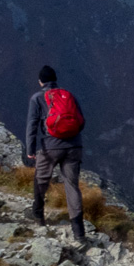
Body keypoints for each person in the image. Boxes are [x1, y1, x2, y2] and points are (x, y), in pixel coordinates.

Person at [25, 65, 87, 241]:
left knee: (41, 179)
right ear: (55, 80)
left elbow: (32, 125)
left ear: (40, 82)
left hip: (50, 147)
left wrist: (30, 150)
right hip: (74, 147)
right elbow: (81, 122)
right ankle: (79, 232)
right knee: (72, 185)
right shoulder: (69, 96)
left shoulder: (37, 98)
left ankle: (38, 216)